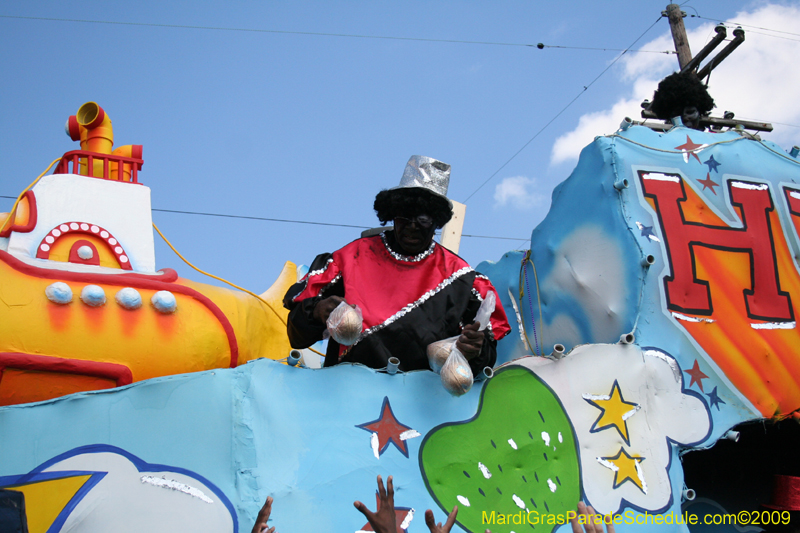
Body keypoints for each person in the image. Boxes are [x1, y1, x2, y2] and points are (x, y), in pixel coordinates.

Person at [283, 155, 510, 373]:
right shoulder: (351, 258)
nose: (412, 226)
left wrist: (473, 351)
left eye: (422, 219)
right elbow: (296, 336)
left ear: (436, 221)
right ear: (392, 215)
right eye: (404, 216)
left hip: (423, 406)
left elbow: (483, 361)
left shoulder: (462, 279)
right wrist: (316, 313)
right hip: (347, 402)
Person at [649, 71, 714, 130]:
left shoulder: (714, 141)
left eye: (690, 112)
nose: (685, 118)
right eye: (677, 114)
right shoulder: (664, 141)